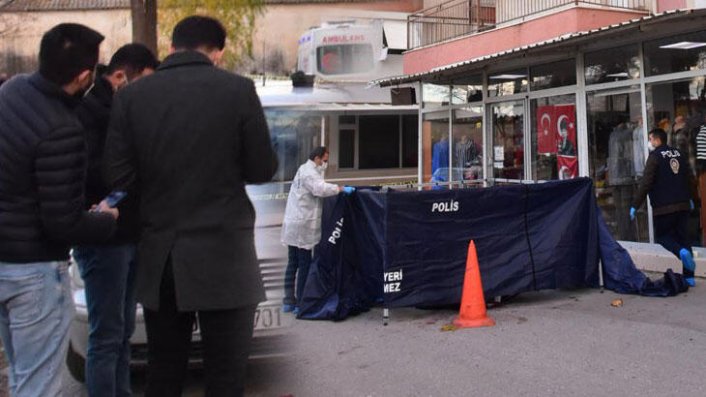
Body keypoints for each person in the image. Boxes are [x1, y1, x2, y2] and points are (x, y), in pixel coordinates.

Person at [104, 16, 278, 396]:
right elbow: (263, 168)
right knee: (226, 376)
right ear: (218, 52)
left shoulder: (132, 97)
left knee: (163, 373)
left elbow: (118, 178)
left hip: (161, 256)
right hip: (226, 256)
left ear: (170, 48)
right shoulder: (239, 90)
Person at [0, 23, 118, 396]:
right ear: (83, 76)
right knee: (38, 385)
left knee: (21, 375)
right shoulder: (63, 128)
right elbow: (62, 222)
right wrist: (104, 220)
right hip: (34, 273)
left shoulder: (11, 92)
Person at [73, 43, 159, 397]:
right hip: (104, 239)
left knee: (121, 333)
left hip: (128, 234)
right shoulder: (91, 112)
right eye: (145, 83)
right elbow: (92, 173)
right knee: (107, 336)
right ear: (122, 76)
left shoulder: (120, 108)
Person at [280, 147, 354, 313]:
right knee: (303, 263)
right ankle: (300, 303)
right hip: (302, 223)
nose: (326, 164)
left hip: (294, 221)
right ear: (317, 158)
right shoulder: (309, 173)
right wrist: (340, 189)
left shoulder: (303, 169)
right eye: (325, 160)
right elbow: (319, 188)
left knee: (292, 263)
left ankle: (288, 301)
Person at [631, 128, 697, 286]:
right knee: (684, 238)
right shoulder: (679, 154)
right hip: (683, 204)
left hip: (664, 207)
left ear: (656, 140)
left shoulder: (654, 158)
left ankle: (680, 252)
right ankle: (690, 278)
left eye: (650, 139)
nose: (649, 142)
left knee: (662, 237)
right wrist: (692, 199)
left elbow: (646, 183)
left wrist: (635, 205)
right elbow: (689, 178)